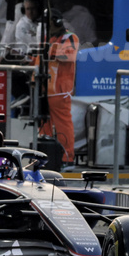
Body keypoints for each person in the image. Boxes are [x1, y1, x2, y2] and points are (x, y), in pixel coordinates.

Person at [39, 10, 79, 165]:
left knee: (63, 124)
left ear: (56, 22)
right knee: (44, 124)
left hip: (60, 90)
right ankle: (44, 156)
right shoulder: (47, 38)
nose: (46, 26)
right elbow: (37, 60)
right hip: (44, 89)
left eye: (48, 22)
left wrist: (49, 50)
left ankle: (67, 157)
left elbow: (68, 57)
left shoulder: (70, 38)